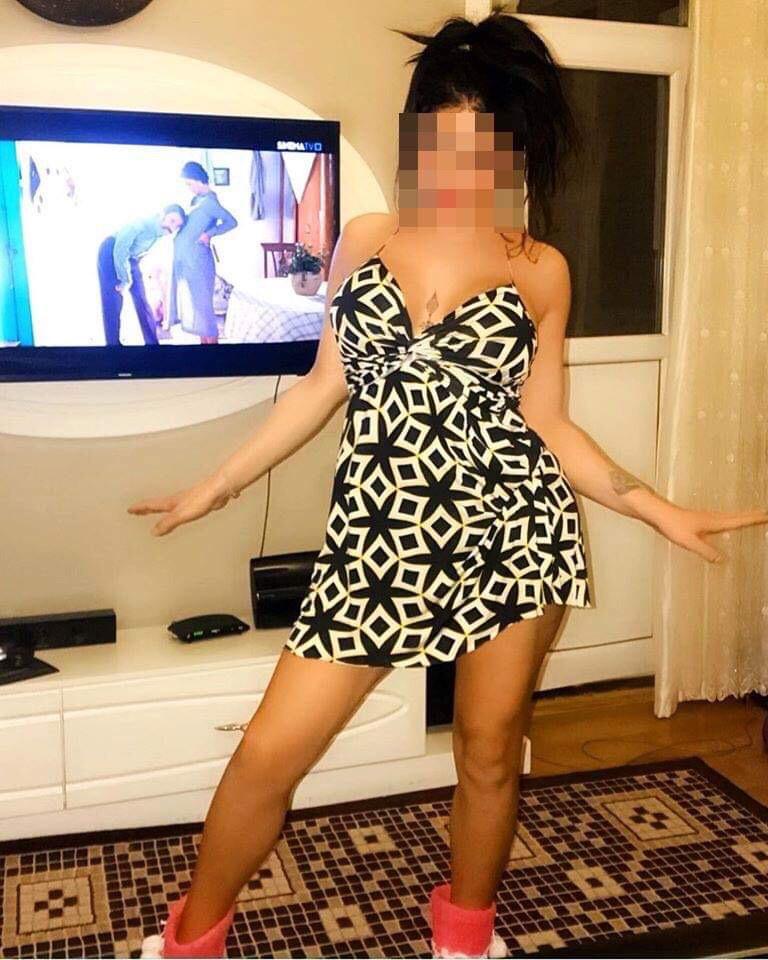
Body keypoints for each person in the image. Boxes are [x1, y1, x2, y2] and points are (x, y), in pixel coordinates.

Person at [128, 10, 768, 960]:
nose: (459, 176)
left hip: (512, 536)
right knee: (266, 755)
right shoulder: (365, 238)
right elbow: (325, 385)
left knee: (488, 749)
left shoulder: (541, 270)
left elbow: (549, 427)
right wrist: (214, 487)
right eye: (442, 147)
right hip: (375, 543)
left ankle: (465, 938)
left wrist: (656, 508)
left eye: (483, 154)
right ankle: (188, 944)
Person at [167, 160, 238, 344]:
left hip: (199, 263)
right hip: (188, 262)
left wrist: (209, 234)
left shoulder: (210, 202)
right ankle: (203, 350)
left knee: (204, 311)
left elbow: (231, 222)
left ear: (199, 180)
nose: (189, 188)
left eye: (189, 184)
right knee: (196, 310)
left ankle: (214, 352)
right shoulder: (196, 201)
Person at [97, 205, 186, 346]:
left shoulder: (158, 234)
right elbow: (120, 249)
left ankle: (152, 344)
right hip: (111, 252)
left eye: (177, 226)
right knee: (113, 300)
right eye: (172, 221)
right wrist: (124, 279)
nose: (172, 228)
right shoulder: (141, 223)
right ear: (162, 214)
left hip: (130, 259)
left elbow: (138, 252)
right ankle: (113, 347)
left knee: (141, 298)